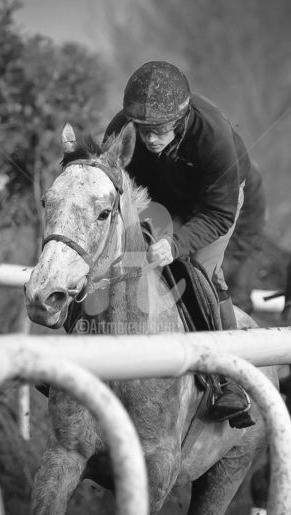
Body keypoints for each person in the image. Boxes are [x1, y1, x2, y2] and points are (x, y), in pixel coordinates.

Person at [104, 60, 266, 428]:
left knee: (201, 270)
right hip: (154, 195)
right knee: (120, 259)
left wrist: (175, 245)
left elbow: (218, 215)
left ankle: (227, 381)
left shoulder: (214, 138)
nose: (149, 139)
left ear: (181, 118)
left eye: (159, 130)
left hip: (211, 205)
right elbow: (112, 190)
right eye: (143, 129)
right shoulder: (121, 129)